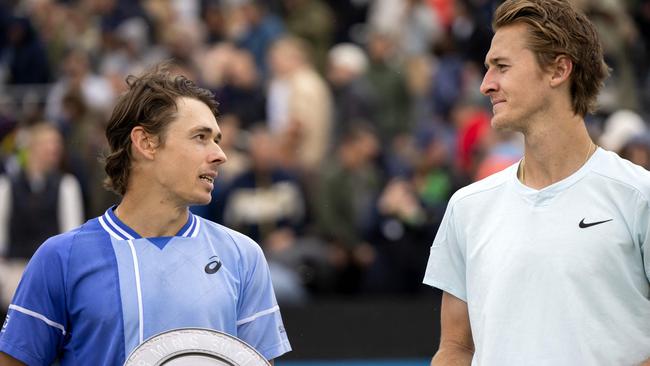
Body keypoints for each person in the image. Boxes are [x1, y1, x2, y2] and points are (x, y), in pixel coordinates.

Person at [0, 65, 291, 365]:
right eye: (201, 137)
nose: (220, 154)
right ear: (146, 143)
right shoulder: (59, 258)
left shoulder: (244, 256)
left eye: (216, 139)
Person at [423, 0, 650, 365]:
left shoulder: (639, 196)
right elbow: (456, 348)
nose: (485, 85)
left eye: (501, 67)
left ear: (559, 70)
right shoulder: (467, 206)